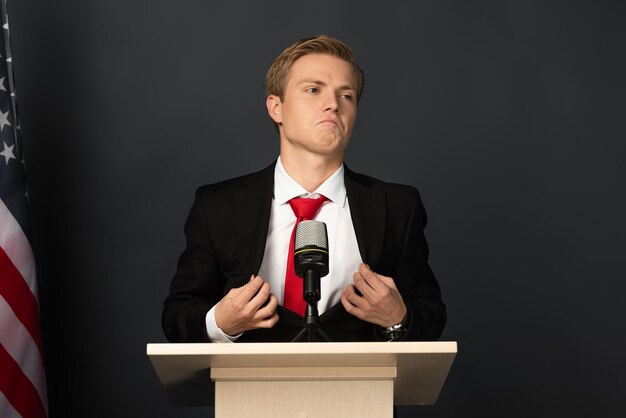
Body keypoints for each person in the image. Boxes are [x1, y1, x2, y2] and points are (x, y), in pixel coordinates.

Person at [162, 35, 446, 343]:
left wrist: (398, 318)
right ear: (276, 108)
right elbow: (178, 315)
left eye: (346, 96)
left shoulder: (398, 207)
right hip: (252, 387)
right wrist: (221, 323)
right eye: (313, 90)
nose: (333, 104)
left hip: (359, 388)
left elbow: (430, 314)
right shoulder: (217, 206)